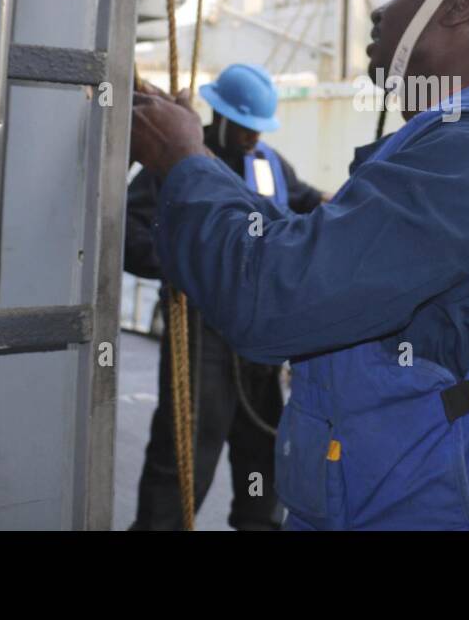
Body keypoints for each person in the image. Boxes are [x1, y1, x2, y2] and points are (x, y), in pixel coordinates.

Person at [130, 0, 469, 530]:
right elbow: (317, 257)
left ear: (460, 4)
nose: (380, 12)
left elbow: (272, 297)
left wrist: (186, 161)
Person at [125, 63, 325, 531]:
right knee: (185, 453)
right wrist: (184, 262)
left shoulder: (271, 165)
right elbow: (131, 236)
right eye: (247, 129)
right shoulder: (174, 162)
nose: (255, 138)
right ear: (222, 118)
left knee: (263, 455)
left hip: (257, 340)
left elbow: (310, 204)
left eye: (260, 130)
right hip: (202, 337)